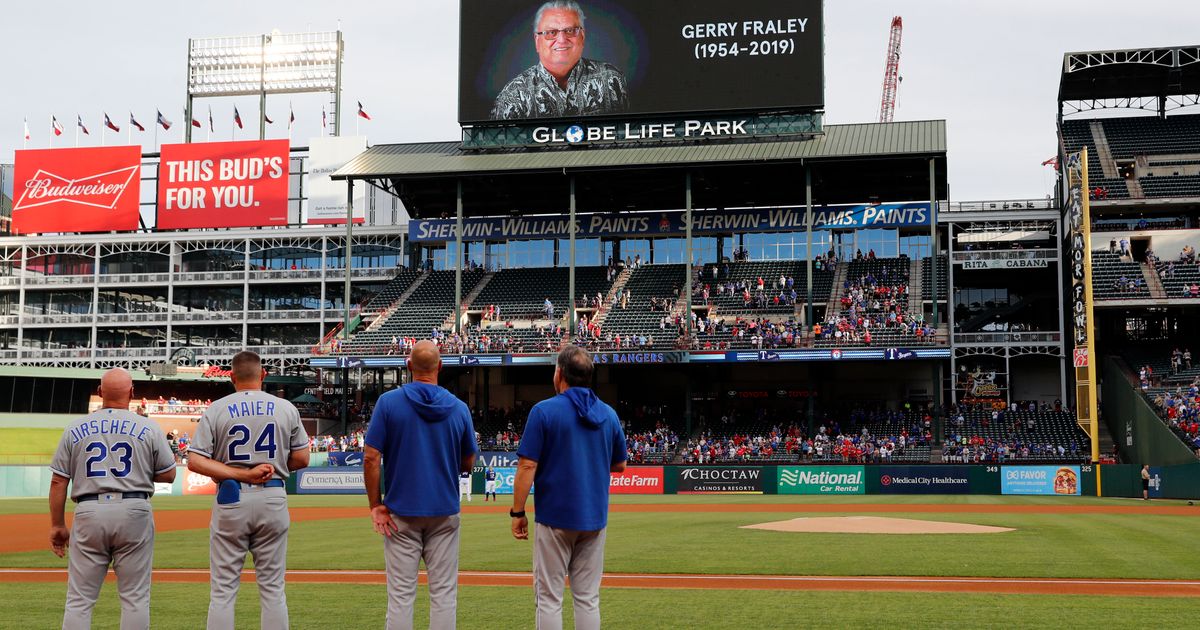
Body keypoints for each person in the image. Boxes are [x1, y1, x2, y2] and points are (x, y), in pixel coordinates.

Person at [188, 351, 310, 630]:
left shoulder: (217, 408)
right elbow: (302, 459)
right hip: (273, 494)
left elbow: (195, 461)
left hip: (231, 498)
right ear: (263, 375)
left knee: (222, 592)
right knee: (273, 589)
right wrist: (272, 467)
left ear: (231, 377)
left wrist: (242, 474)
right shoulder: (285, 407)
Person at [49, 368, 177, 630]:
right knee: (135, 599)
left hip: (89, 510)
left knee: (79, 601)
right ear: (132, 393)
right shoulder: (148, 426)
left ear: (99, 393)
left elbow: (58, 480)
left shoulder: (75, 428)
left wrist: (58, 525)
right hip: (134, 509)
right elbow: (169, 474)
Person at [363, 340, 478, 630]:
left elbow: (371, 457)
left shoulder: (389, 403)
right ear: (440, 366)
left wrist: (376, 504)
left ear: (408, 365)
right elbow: (468, 463)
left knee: (401, 597)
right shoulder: (459, 407)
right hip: (444, 510)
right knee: (443, 595)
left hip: (401, 512)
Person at [511, 345, 627, 630]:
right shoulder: (608, 414)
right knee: (587, 598)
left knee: (549, 598)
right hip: (593, 518)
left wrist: (517, 513)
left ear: (559, 373)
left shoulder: (544, 411)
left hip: (555, 517)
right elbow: (620, 465)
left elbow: (527, 466)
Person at [491, 1, 629, 120]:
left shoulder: (613, 79)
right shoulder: (513, 96)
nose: (562, 40)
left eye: (570, 30)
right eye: (551, 32)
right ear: (537, 41)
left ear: (582, 36)